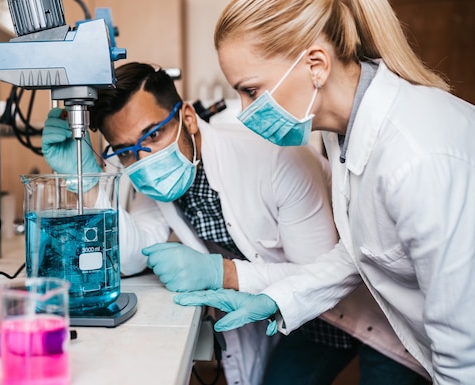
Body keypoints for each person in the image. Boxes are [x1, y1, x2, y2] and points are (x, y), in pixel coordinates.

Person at [172, 0, 475, 384]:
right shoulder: (341, 133)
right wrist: (277, 298)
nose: (244, 112)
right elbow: (360, 252)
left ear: (316, 64)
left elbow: (465, 350)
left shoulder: (417, 156)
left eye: (252, 91)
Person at [41, 62, 424, 385]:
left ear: (187, 117)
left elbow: (321, 278)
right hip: (295, 322)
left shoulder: (276, 161)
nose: (145, 159)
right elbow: (128, 259)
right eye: (126, 153)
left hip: (374, 309)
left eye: (153, 135)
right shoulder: (154, 186)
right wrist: (89, 182)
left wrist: (221, 272)